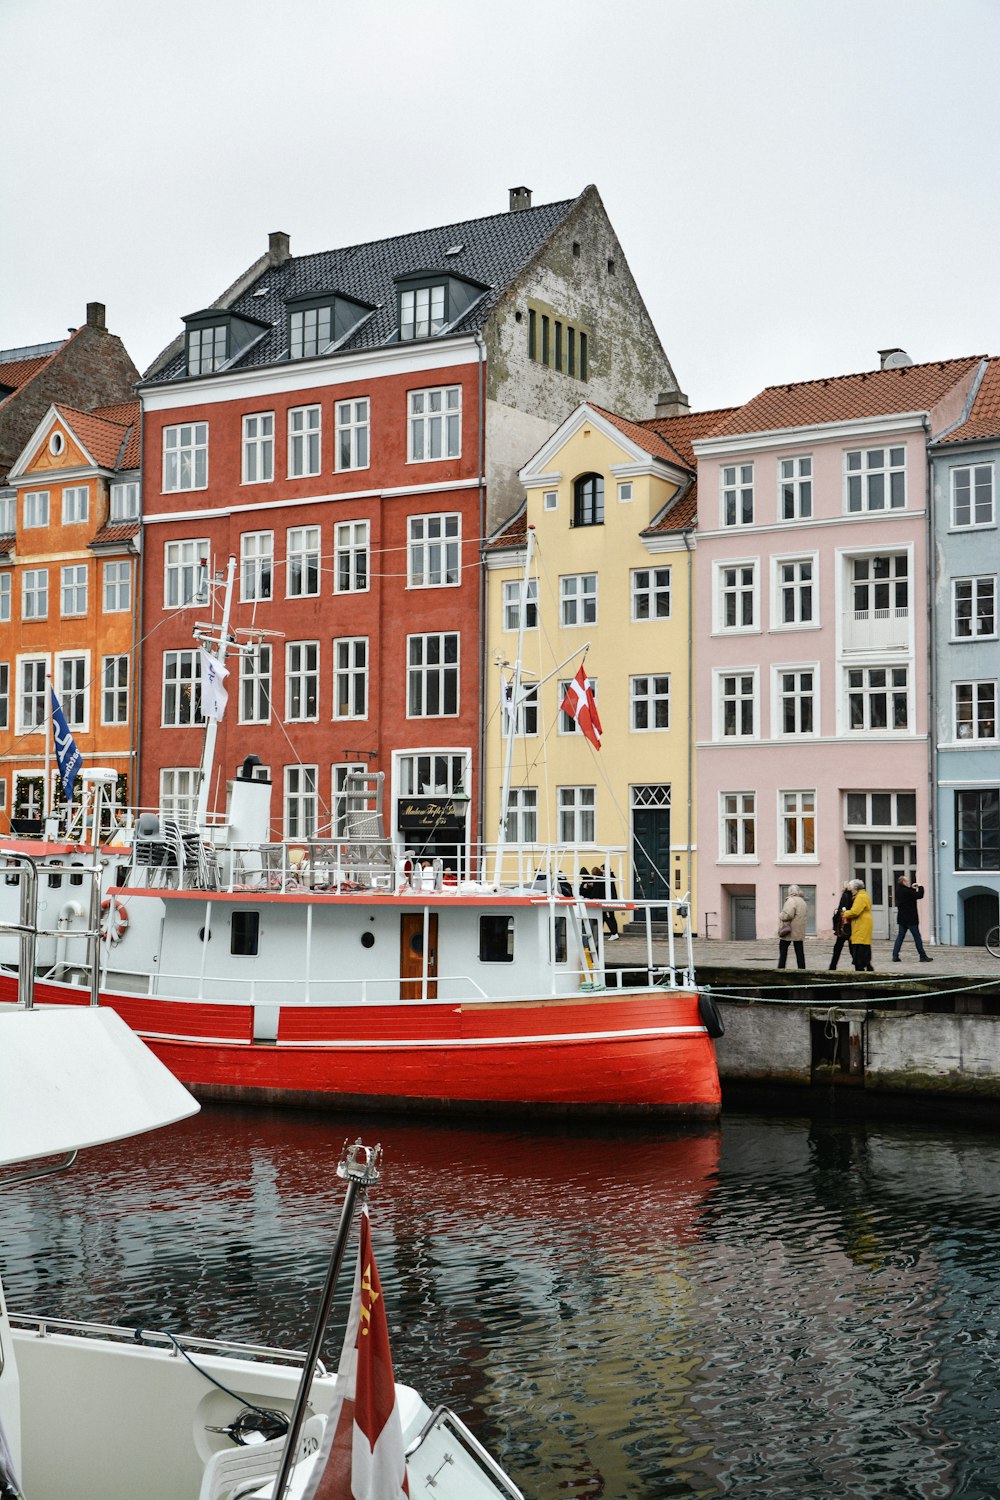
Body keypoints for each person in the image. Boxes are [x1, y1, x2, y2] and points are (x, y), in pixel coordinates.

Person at [892, 875, 932, 962]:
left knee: (900, 937)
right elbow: (919, 895)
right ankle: (922, 956)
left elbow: (909, 895)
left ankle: (895, 955)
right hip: (910, 918)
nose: (908, 882)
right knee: (917, 937)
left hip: (902, 918)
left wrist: (912, 888)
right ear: (903, 882)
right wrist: (921, 887)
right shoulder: (906, 891)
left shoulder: (899, 890)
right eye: (907, 881)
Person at [844, 880, 874, 972]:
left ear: (856, 888)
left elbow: (855, 911)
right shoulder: (864, 895)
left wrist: (845, 913)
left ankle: (861, 967)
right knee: (864, 944)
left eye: (852, 889)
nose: (851, 891)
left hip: (860, 924)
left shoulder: (860, 897)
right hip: (863, 923)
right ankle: (867, 965)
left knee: (859, 945)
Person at [777, 884, 807, 969]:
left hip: (789, 930)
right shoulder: (802, 901)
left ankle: (781, 969)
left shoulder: (791, 900)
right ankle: (802, 970)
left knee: (783, 950)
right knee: (799, 952)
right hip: (799, 930)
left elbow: (788, 915)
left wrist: (781, 915)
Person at [829, 881, 855, 971]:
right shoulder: (853, 896)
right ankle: (859, 964)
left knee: (838, 947)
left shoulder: (845, 896)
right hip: (851, 924)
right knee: (852, 946)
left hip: (844, 925)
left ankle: (833, 966)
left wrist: (835, 918)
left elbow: (841, 910)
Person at [594, 865, 620, 940]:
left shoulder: (606, 877)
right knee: (611, 916)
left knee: (605, 915)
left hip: (608, 899)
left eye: (602, 869)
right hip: (611, 899)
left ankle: (614, 932)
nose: (601, 870)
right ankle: (614, 933)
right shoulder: (610, 876)